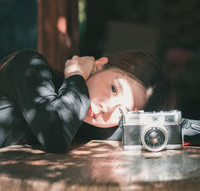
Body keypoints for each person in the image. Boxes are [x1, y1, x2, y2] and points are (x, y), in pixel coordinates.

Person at [0, 49, 173, 153]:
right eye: (113, 88)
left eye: (122, 111)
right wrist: (76, 74)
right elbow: (54, 135)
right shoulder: (30, 66)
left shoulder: (88, 123)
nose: (107, 108)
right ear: (98, 65)